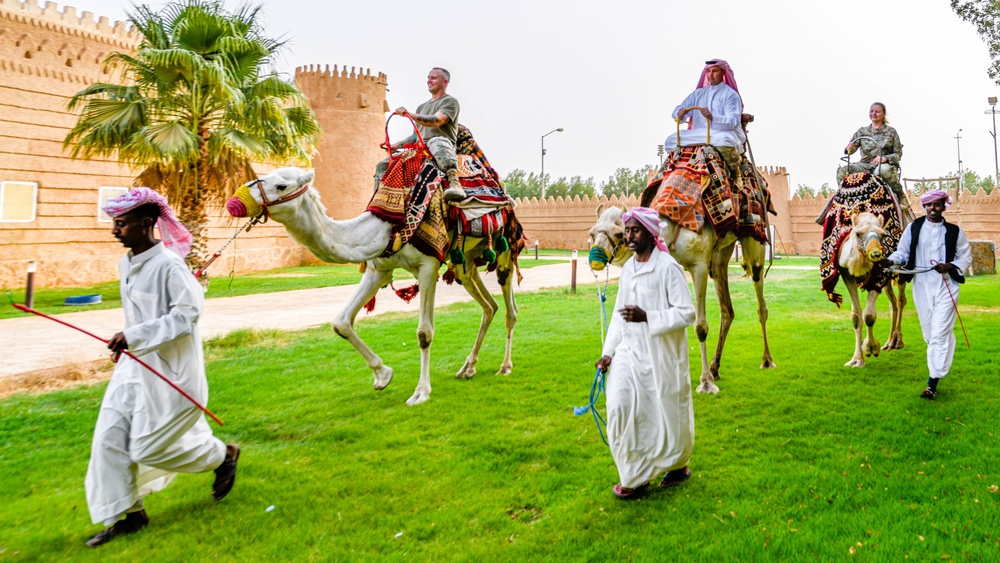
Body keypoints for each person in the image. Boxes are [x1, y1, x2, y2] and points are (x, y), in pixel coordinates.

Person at [85, 188, 239, 547]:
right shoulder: (127, 264)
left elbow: (188, 315)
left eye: (121, 224)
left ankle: (223, 455)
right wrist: (126, 346)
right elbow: (136, 317)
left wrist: (133, 335)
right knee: (107, 440)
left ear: (147, 223)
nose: (114, 231)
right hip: (132, 369)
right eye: (114, 224)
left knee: (147, 449)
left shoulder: (170, 266)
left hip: (171, 375)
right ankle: (129, 515)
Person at [594, 207, 696, 499]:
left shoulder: (668, 268)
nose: (629, 236)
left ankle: (677, 465)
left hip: (661, 355)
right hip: (629, 352)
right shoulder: (628, 270)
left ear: (651, 235)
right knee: (619, 405)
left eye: (635, 231)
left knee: (666, 411)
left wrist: (647, 316)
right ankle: (633, 476)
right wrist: (608, 352)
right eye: (627, 231)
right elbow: (618, 314)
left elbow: (687, 313)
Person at [879, 189, 972, 400]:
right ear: (925, 207)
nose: (932, 209)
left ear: (943, 206)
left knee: (939, 334)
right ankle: (940, 358)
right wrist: (891, 261)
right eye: (929, 205)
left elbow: (965, 257)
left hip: (946, 286)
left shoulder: (955, 231)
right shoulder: (914, 227)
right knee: (931, 335)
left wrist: (950, 265)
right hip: (921, 286)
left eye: (937, 205)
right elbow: (902, 252)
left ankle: (932, 383)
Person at [377, 67, 464, 202]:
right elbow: (415, 137)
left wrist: (409, 114)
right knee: (384, 164)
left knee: (436, 141)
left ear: (445, 82)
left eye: (433, 78)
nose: (429, 81)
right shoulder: (421, 107)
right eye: (428, 77)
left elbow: (437, 120)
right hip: (420, 149)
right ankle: (379, 199)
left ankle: (454, 182)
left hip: (441, 146)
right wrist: (396, 145)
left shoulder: (450, 102)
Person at [663, 59, 747, 184]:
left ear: (723, 73)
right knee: (671, 140)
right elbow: (679, 109)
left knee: (724, 140)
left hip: (722, 133)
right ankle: (670, 172)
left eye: (714, 71)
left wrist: (713, 117)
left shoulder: (731, 95)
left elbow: (733, 121)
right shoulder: (698, 94)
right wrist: (680, 113)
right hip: (699, 133)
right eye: (708, 71)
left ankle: (735, 175)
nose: (711, 74)